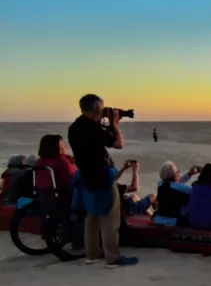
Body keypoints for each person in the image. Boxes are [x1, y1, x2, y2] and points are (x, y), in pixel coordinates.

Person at [68, 94, 138, 267]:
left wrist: (110, 123)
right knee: (109, 219)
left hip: (86, 177)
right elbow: (118, 144)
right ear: (97, 108)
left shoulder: (75, 127)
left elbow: (99, 139)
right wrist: (114, 123)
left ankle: (91, 255)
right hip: (103, 177)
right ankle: (112, 258)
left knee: (91, 217)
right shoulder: (93, 129)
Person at [153, 161, 200, 226]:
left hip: (158, 219)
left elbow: (175, 184)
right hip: (174, 222)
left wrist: (189, 174)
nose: (178, 173)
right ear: (175, 175)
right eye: (178, 171)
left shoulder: (160, 185)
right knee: (191, 198)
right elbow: (198, 192)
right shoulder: (181, 187)